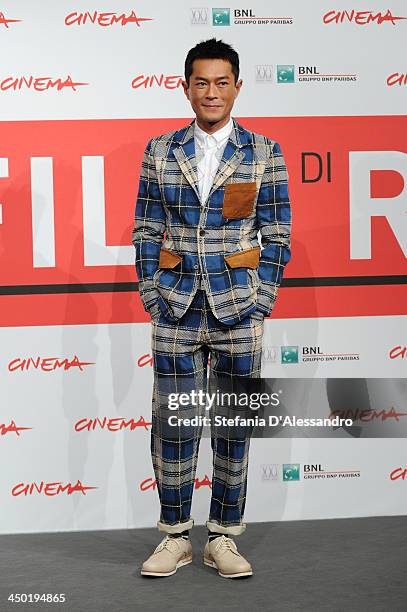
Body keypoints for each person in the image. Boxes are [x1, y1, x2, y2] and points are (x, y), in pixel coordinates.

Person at [132, 37, 291, 578]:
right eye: (201, 82)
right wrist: (153, 294)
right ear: (186, 87)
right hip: (175, 308)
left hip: (238, 311)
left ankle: (223, 536)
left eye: (222, 82)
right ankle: (174, 535)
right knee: (172, 426)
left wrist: (260, 301)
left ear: (238, 87)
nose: (211, 92)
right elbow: (147, 229)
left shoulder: (264, 151)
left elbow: (278, 234)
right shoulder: (159, 150)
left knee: (234, 426)